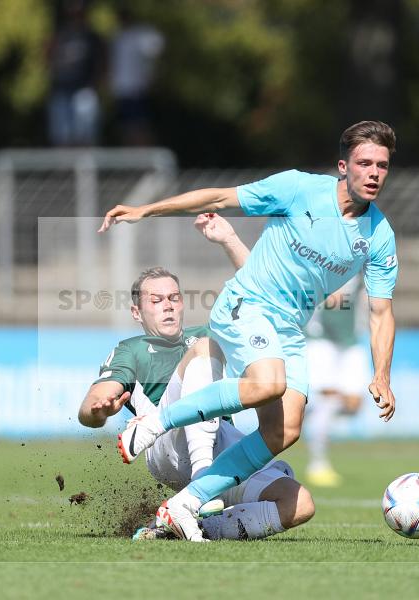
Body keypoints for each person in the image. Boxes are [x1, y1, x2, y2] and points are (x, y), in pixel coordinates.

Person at [98, 120, 399, 541]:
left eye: (382, 166)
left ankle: (184, 506)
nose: (373, 173)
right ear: (342, 166)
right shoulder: (299, 189)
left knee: (285, 429)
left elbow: (381, 313)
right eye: (364, 163)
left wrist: (381, 374)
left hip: (289, 328)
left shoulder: (380, 237)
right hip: (247, 304)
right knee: (268, 383)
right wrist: (146, 210)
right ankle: (151, 424)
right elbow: (221, 196)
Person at [78, 217, 315, 541]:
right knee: (207, 346)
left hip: (221, 440)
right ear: (137, 312)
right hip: (167, 447)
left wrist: (230, 238)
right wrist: (100, 409)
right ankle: (205, 478)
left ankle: (182, 523)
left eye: (174, 298)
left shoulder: (206, 333)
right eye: (156, 300)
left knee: (299, 504)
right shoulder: (131, 350)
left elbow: (261, 292)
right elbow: (90, 408)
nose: (168, 307)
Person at [304, 279, 369, 487]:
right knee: (328, 399)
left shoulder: (363, 258)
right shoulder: (322, 258)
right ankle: (318, 465)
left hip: (350, 339)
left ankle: (303, 414)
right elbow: (333, 299)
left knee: (354, 404)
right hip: (322, 338)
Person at [46, 0, 105, 146]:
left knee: (85, 137)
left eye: (79, 12)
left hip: (84, 90)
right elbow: (47, 57)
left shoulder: (92, 37)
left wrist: (96, 83)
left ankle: (84, 169)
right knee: (62, 138)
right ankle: (65, 168)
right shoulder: (59, 35)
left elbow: (102, 62)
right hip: (61, 90)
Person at [108, 8, 164, 146]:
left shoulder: (140, 34)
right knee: (126, 128)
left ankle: (147, 158)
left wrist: (152, 73)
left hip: (137, 89)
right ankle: (133, 161)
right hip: (121, 90)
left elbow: (158, 48)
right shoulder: (117, 37)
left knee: (140, 126)